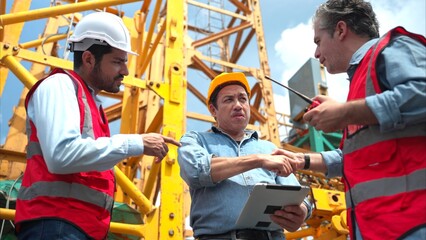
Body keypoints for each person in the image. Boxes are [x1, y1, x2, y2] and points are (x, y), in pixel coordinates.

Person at [14, 11, 181, 240]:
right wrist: (136, 142)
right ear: (89, 59)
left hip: (77, 228)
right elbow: (61, 155)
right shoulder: (60, 85)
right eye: (117, 61)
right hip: (55, 225)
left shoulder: (90, 103)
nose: (125, 71)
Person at [275, 1, 426, 240]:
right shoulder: (359, 83)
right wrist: (300, 160)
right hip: (377, 229)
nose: (316, 54)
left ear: (341, 30)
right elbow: (355, 158)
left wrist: (345, 112)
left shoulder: (392, 48)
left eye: (318, 41)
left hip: (413, 224)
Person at [177, 72, 312, 240]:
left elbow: (296, 194)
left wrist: (303, 210)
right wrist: (258, 160)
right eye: (228, 100)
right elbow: (196, 171)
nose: (238, 105)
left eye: (243, 99)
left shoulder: (269, 148)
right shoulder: (195, 140)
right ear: (213, 110)